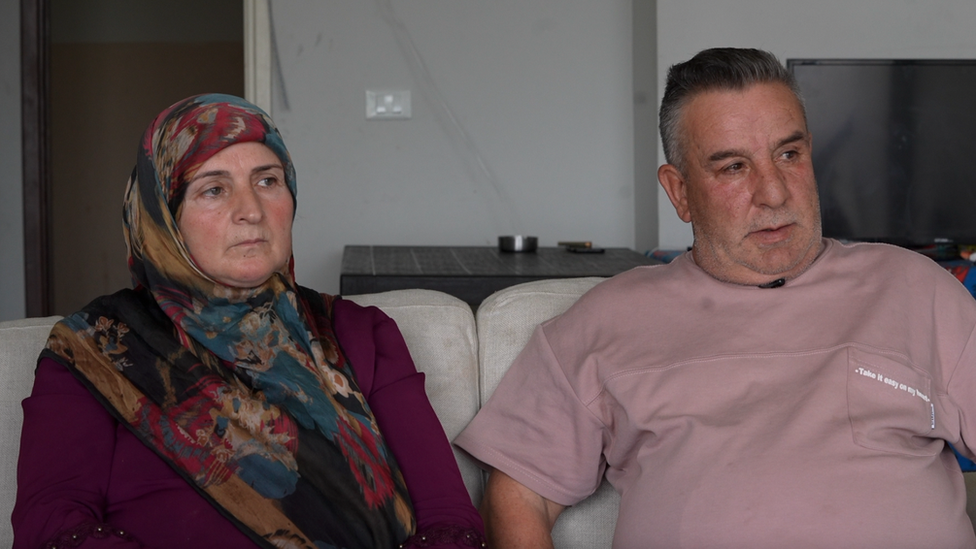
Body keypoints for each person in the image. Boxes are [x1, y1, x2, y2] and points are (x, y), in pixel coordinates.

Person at [454, 48, 976, 548]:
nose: (773, 193)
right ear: (679, 191)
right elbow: (520, 492)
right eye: (733, 167)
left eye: (788, 154)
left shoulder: (913, 287)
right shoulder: (607, 319)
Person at [13, 94, 485, 549]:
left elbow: (449, 520)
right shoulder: (95, 349)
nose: (252, 211)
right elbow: (53, 523)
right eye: (214, 189)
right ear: (163, 218)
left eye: (267, 181)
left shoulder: (361, 333)